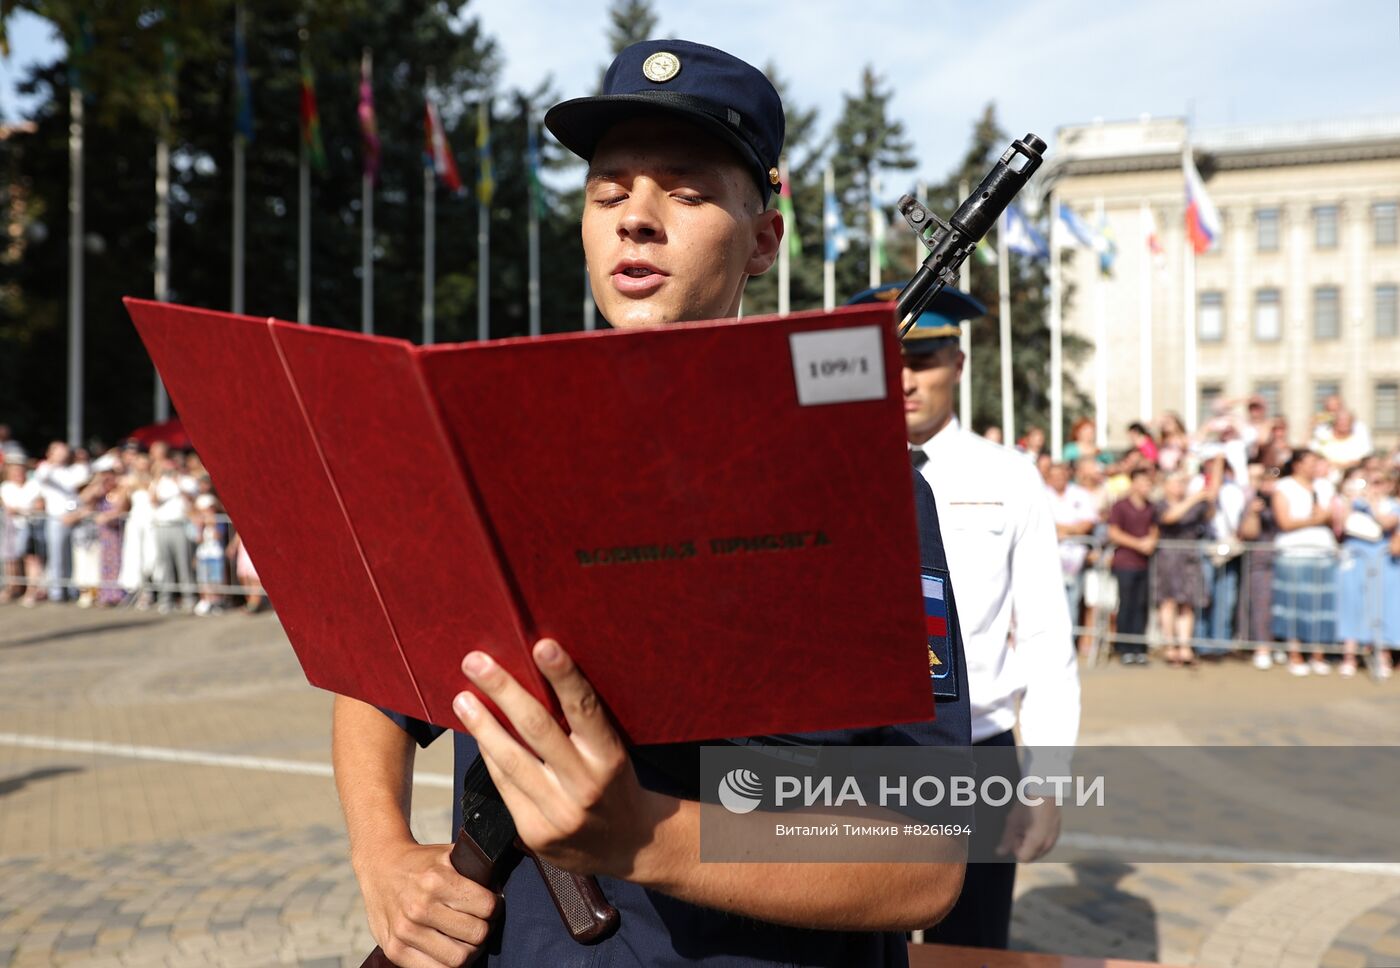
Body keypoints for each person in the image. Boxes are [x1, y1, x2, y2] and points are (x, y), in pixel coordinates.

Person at [333, 40, 971, 968]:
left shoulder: (860, 486)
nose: (636, 220)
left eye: (685, 191)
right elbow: (375, 679)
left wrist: (650, 837)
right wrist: (382, 853)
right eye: (607, 194)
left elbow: (927, 863)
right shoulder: (488, 451)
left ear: (762, 240)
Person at [851, 281, 1078, 950]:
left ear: (958, 362)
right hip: (862, 758)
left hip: (976, 751)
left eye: (922, 359)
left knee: (972, 946)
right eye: (890, 358)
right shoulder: (827, 471)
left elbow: (1044, 636)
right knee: (856, 941)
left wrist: (1047, 780)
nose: (906, 379)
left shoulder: (1008, 477)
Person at [1271, 449, 1338, 676]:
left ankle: (1318, 654)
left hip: (1323, 553)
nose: (1313, 467)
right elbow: (1286, 521)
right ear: (1298, 465)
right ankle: (1295, 653)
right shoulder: (1284, 487)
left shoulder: (1324, 486)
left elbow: (1332, 515)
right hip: (1294, 554)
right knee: (1294, 604)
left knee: (1320, 605)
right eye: (1310, 462)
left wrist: (1322, 518)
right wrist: (1314, 520)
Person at [1333, 468, 1398, 676]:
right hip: (1355, 561)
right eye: (1370, 482)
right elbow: (1342, 527)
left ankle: (1382, 655)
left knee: (1382, 607)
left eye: (1378, 482)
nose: (1373, 486)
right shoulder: (1354, 504)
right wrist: (1349, 500)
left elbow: (1387, 522)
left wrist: (1372, 504)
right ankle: (1349, 655)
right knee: (1352, 604)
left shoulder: (1393, 505)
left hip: (1383, 562)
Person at [1153, 470, 1215, 666]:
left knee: (1187, 603)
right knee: (1168, 602)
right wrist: (1194, 498)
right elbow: (1169, 518)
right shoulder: (1160, 504)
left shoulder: (1194, 505)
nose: (1180, 487)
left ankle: (1185, 647)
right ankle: (1170, 646)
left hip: (1188, 556)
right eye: (1176, 483)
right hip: (1168, 557)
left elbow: (1210, 509)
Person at [1107, 467, 1158, 664]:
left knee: (1141, 605)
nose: (1148, 487)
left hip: (1143, 563)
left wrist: (1151, 541)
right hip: (1125, 562)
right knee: (1126, 604)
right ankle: (1125, 646)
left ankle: (1138, 647)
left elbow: (1154, 528)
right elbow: (1114, 532)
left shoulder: (1150, 506)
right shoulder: (1120, 506)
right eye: (1144, 482)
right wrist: (1138, 544)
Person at [1046, 461, 1098, 646]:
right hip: (1049, 557)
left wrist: (1063, 531)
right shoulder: (1042, 494)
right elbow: (1043, 524)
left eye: (1062, 475)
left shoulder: (1080, 494)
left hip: (1076, 557)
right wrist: (1070, 528)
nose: (1059, 479)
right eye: (1055, 476)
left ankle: (1069, 641)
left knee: (1072, 599)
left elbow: (1087, 522)